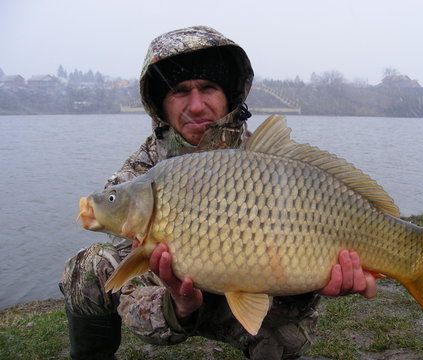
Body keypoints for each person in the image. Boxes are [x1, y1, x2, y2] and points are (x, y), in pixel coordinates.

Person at [60, 25, 377, 360]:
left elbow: (301, 257)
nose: (196, 105)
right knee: (86, 267)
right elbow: (132, 292)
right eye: (180, 91)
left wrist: (309, 288)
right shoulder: (139, 177)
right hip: (173, 299)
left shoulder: (265, 159)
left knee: (284, 339)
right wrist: (178, 306)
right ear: (160, 103)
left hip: (259, 296)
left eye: (208, 87)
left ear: (229, 94)